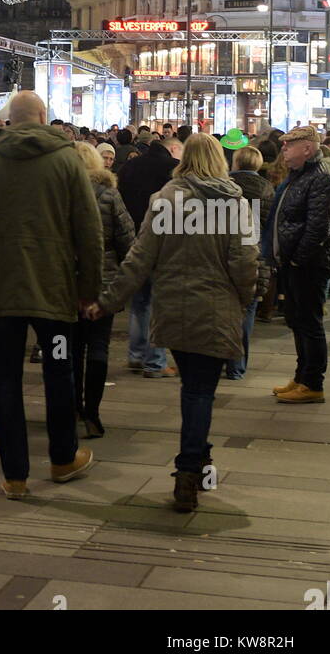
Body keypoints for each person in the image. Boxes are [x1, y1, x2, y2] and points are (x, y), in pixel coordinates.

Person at [88, 132, 257, 512]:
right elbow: (245, 261)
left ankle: (199, 457)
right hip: (217, 306)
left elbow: (140, 257)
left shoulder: (165, 201)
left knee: (192, 388)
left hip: (174, 307)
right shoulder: (235, 203)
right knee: (201, 390)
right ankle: (188, 469)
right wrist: (244, 300)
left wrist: (108, 301)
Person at [0, 91, 103, 501]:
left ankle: (14, 475)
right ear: (42, 116)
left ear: (10, 121)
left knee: (5, 379)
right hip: (54, 291)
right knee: (58, 371)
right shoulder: (68, 159)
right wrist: (89, 290)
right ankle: (61, 458)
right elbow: (89, 231)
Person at [268, 125, 330, 404]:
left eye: (289, 145)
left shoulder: (322, 178)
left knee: (310, 323)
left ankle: (313, 383)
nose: (284, 149)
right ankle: (301, 377)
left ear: (307, 149)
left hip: (310, 263)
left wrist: (298, 258)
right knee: (298, 321)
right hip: (294, 262)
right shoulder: (300, 176)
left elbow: (318, 227)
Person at [73, 142, 134, 437]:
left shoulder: (60, 193)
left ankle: (72, 404)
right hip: (104, 278)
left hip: (65, 280)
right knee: (98, 345)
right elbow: (127, 238)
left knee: (70, 347)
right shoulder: (110, 194)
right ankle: (92, 413)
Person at [117, 138, 182, 377]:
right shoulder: (172, 169)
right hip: (160, 242)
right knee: (158, 301)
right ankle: (155, 361)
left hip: (133, 239)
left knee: (139, 301)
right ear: (174, 149)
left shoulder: (130, 166)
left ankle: (135, 355)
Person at [225, 145, 274, 378]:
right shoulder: (267, 189)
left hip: (226, 253)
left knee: (225, 307)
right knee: (250, 308)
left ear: (236, 163)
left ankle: (220, 358)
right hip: (256, 252)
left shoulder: (224, 185)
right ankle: (238, 365)